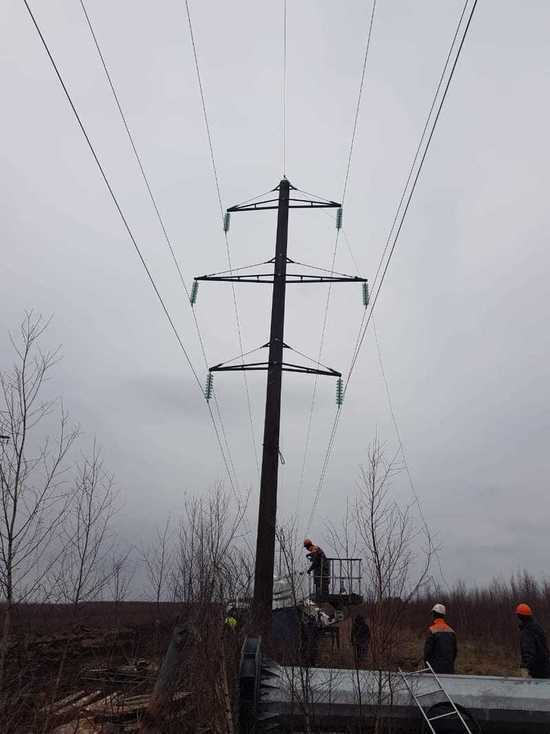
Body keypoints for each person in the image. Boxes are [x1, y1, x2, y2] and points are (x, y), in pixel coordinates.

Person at [516, 603, 550, 679]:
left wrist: (525, 666)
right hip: (546, 666)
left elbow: (528, 650)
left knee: (535, 686)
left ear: (519, 616)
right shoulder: (538, 627)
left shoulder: (527, 631)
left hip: (537, 670)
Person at [424, 603, 457, 674]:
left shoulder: (432, 630)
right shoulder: (451, 631)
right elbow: (454, 652)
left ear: (434, 615)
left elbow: (427, 652)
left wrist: (426, 666)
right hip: (449, 670)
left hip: (434, 671)